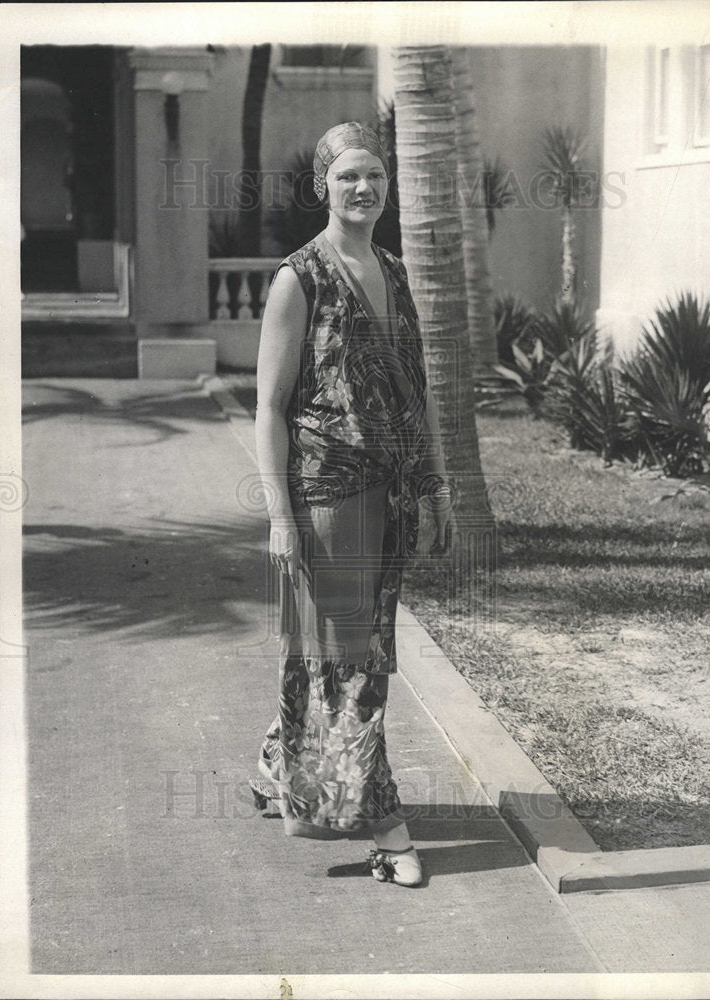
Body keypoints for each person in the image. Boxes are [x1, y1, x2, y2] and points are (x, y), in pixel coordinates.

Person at [253, 121, 452, 887]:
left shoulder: (394, 271)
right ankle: (388, 832)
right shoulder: (296, 278)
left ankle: (280, 756)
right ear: (321, 187)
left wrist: (434, 487)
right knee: (352, 666)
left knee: (355, 652)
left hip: (394, 494)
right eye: (347, 178)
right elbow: (269, 406)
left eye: (373, 176)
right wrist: (279, 515)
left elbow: (418, 391)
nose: (362, 188)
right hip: (328, 497)